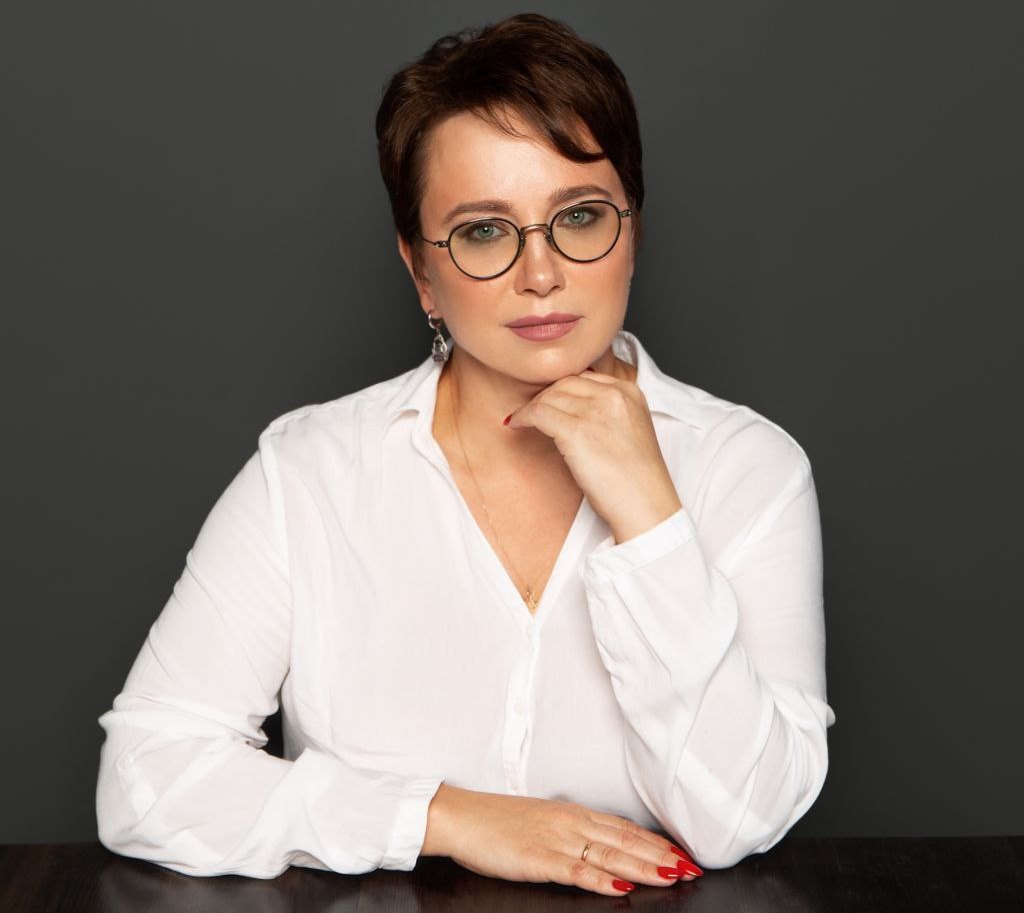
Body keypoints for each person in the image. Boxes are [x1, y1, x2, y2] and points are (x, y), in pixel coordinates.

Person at [96, 12, 836, 898]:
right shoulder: (310, 471)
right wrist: (445, 816)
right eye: (485, 231)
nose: (541, 274)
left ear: (632, 231)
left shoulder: (748, 468)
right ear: (422, 272)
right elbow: (145, 777)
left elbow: (745, 815)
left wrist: (651, 517)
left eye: (580, 217)